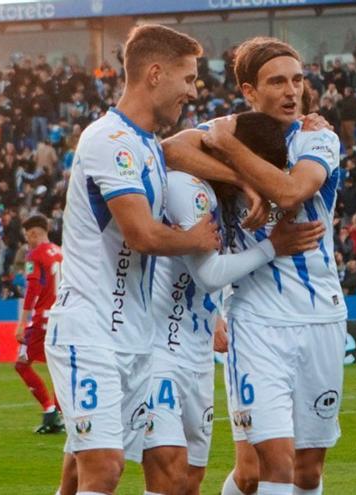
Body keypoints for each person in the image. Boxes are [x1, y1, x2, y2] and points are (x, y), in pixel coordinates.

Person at [45, 25, 222, 495]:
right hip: (90, 330)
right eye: (188, 78)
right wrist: (195, 238)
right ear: (155, 73)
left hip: (135, 340)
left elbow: (208, 141)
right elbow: (141, 234)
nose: (193, 89)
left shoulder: (148, 146)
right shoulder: (110, 140)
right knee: (103, 470)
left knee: (80, 472)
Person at [168, 36, 347, 495]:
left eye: (298, 79)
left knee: (305, 470)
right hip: (257, 320)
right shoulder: (226, 131)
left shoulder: (316, 136)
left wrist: (229, 153)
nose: (292, 91)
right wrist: (239, 177)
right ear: (249, 91)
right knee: (274, 463)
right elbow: (168, 149)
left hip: (321, 315)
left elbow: (292, 191)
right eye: (277, 82)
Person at [142, 112, 324, 495]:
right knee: (167, 474)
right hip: (157, 344)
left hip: (196, 349)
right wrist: (273, 246)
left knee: (191, 478)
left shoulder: (221, 198)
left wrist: (214, 313)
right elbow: (208, 273)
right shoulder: (188, 188)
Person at [13, 214, 63, 434]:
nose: (28, 241)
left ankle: (50, 411)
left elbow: (33, 290)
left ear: (35, 233)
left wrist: (22, 323)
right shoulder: (60, 253)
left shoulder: (36, 255)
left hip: (43, 318)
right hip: (62, 317)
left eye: (28, 236)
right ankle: (59, 414)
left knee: (22, 364)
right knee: (59, 367)